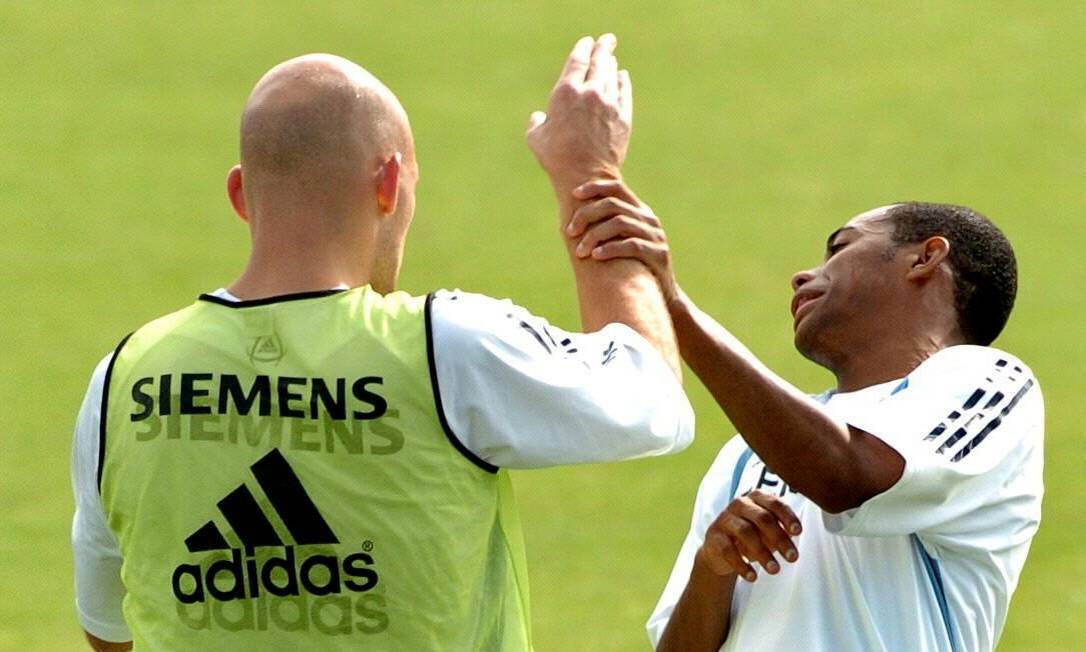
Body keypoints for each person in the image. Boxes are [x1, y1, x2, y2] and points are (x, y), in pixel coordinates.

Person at [70, 36, 694, 651]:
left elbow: (108, 622)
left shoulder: (123, 379)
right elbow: (653, 401)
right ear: (389, 183)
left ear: (240, 195)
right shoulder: (445, 347)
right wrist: (590, 177)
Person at [563, 183, 1043, 651]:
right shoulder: (746, 453)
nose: (802, 275)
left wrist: (675, 310)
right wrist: (714, 567)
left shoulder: (991, 383)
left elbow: (848, 475)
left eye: (840, 248)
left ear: (925, 257)